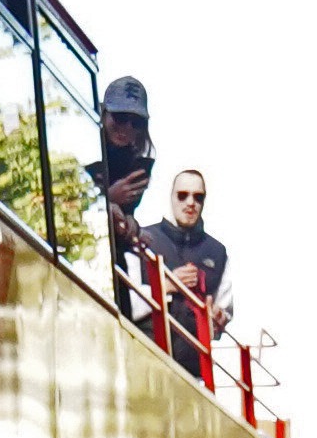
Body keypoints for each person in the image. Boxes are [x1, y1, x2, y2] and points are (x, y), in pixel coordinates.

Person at [138, 170, 233, 379]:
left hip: (196, 376)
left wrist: (218, 318)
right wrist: (166, 285)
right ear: (171, 197)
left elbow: (225, 311)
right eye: (183, 195)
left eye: (198, 197)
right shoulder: (142, 240)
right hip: (145, 365)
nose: (191, 202)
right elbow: (125, 302)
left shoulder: (218, 251)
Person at [90, 75, 157, 320]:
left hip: (113, 264)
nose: (126, 128)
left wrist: (132, 227)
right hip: (79, 257)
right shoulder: (84, 145)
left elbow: (126, 213)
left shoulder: (140, 160)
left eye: (135, 123)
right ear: (104, 114)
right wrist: (105, 200)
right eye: (120, 118)